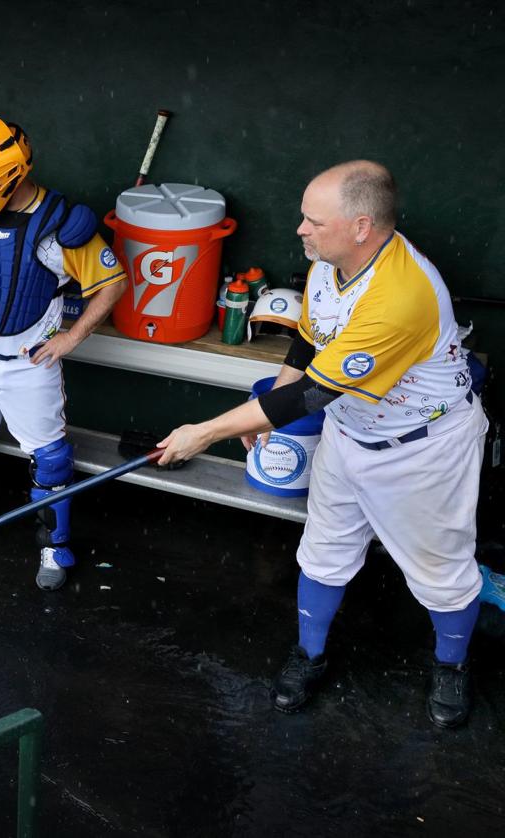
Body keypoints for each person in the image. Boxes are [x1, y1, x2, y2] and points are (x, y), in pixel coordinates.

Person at [157, 160, 489, 727]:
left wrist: (205, 432)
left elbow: (311, 397)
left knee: (442, 572)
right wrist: (267, 417)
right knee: (324, 549)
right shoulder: (328, 263)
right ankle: (309, 654)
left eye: (314, 220)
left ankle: (452, 667)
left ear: (362, 226)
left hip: (423, 448)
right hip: (350, 432)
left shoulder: (398, 294)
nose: (300, 230)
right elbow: (307, 349)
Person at [0, 117, 128, 591]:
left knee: (49, 461)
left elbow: (112, 282)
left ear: (13, 174)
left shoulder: (59, 223)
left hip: (29, 362)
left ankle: (53, 546)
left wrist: (71, 338)